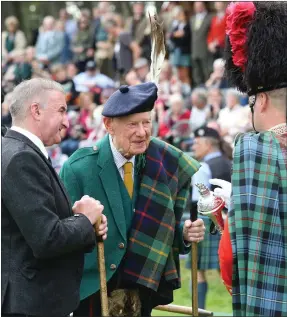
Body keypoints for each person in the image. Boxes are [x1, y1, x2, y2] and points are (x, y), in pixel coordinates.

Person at [59, 82, 206, 317]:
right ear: (109, 125)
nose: (143, 132)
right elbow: (62, 236)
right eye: (132, 124)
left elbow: (159, 228)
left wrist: (184, 234)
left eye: (147, 122)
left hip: (141, 291)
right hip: (93, 295)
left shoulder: (161, 164)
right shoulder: (78, 169)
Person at [1, 78, 108, 317]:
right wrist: (83, 218)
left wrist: (86, 226)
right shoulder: (21, 158)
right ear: (36, 110)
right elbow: (46, 239)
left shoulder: (15, 150)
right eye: (61, 110)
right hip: (31, 305)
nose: (66, 121)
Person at [212, 2, 287, 316]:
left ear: (263, 99)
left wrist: (230, 221)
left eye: (251, 100)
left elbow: (232, 262)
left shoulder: (255, 152)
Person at [185, 126, 231, 309]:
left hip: (207, 221)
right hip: (231, 221)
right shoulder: (230, 161)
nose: (194, 147)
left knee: (198, 271)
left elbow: (198, 201)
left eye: (196, 143)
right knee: (233, 271)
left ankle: (199, 310)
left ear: (207, 144)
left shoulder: (202, 167)